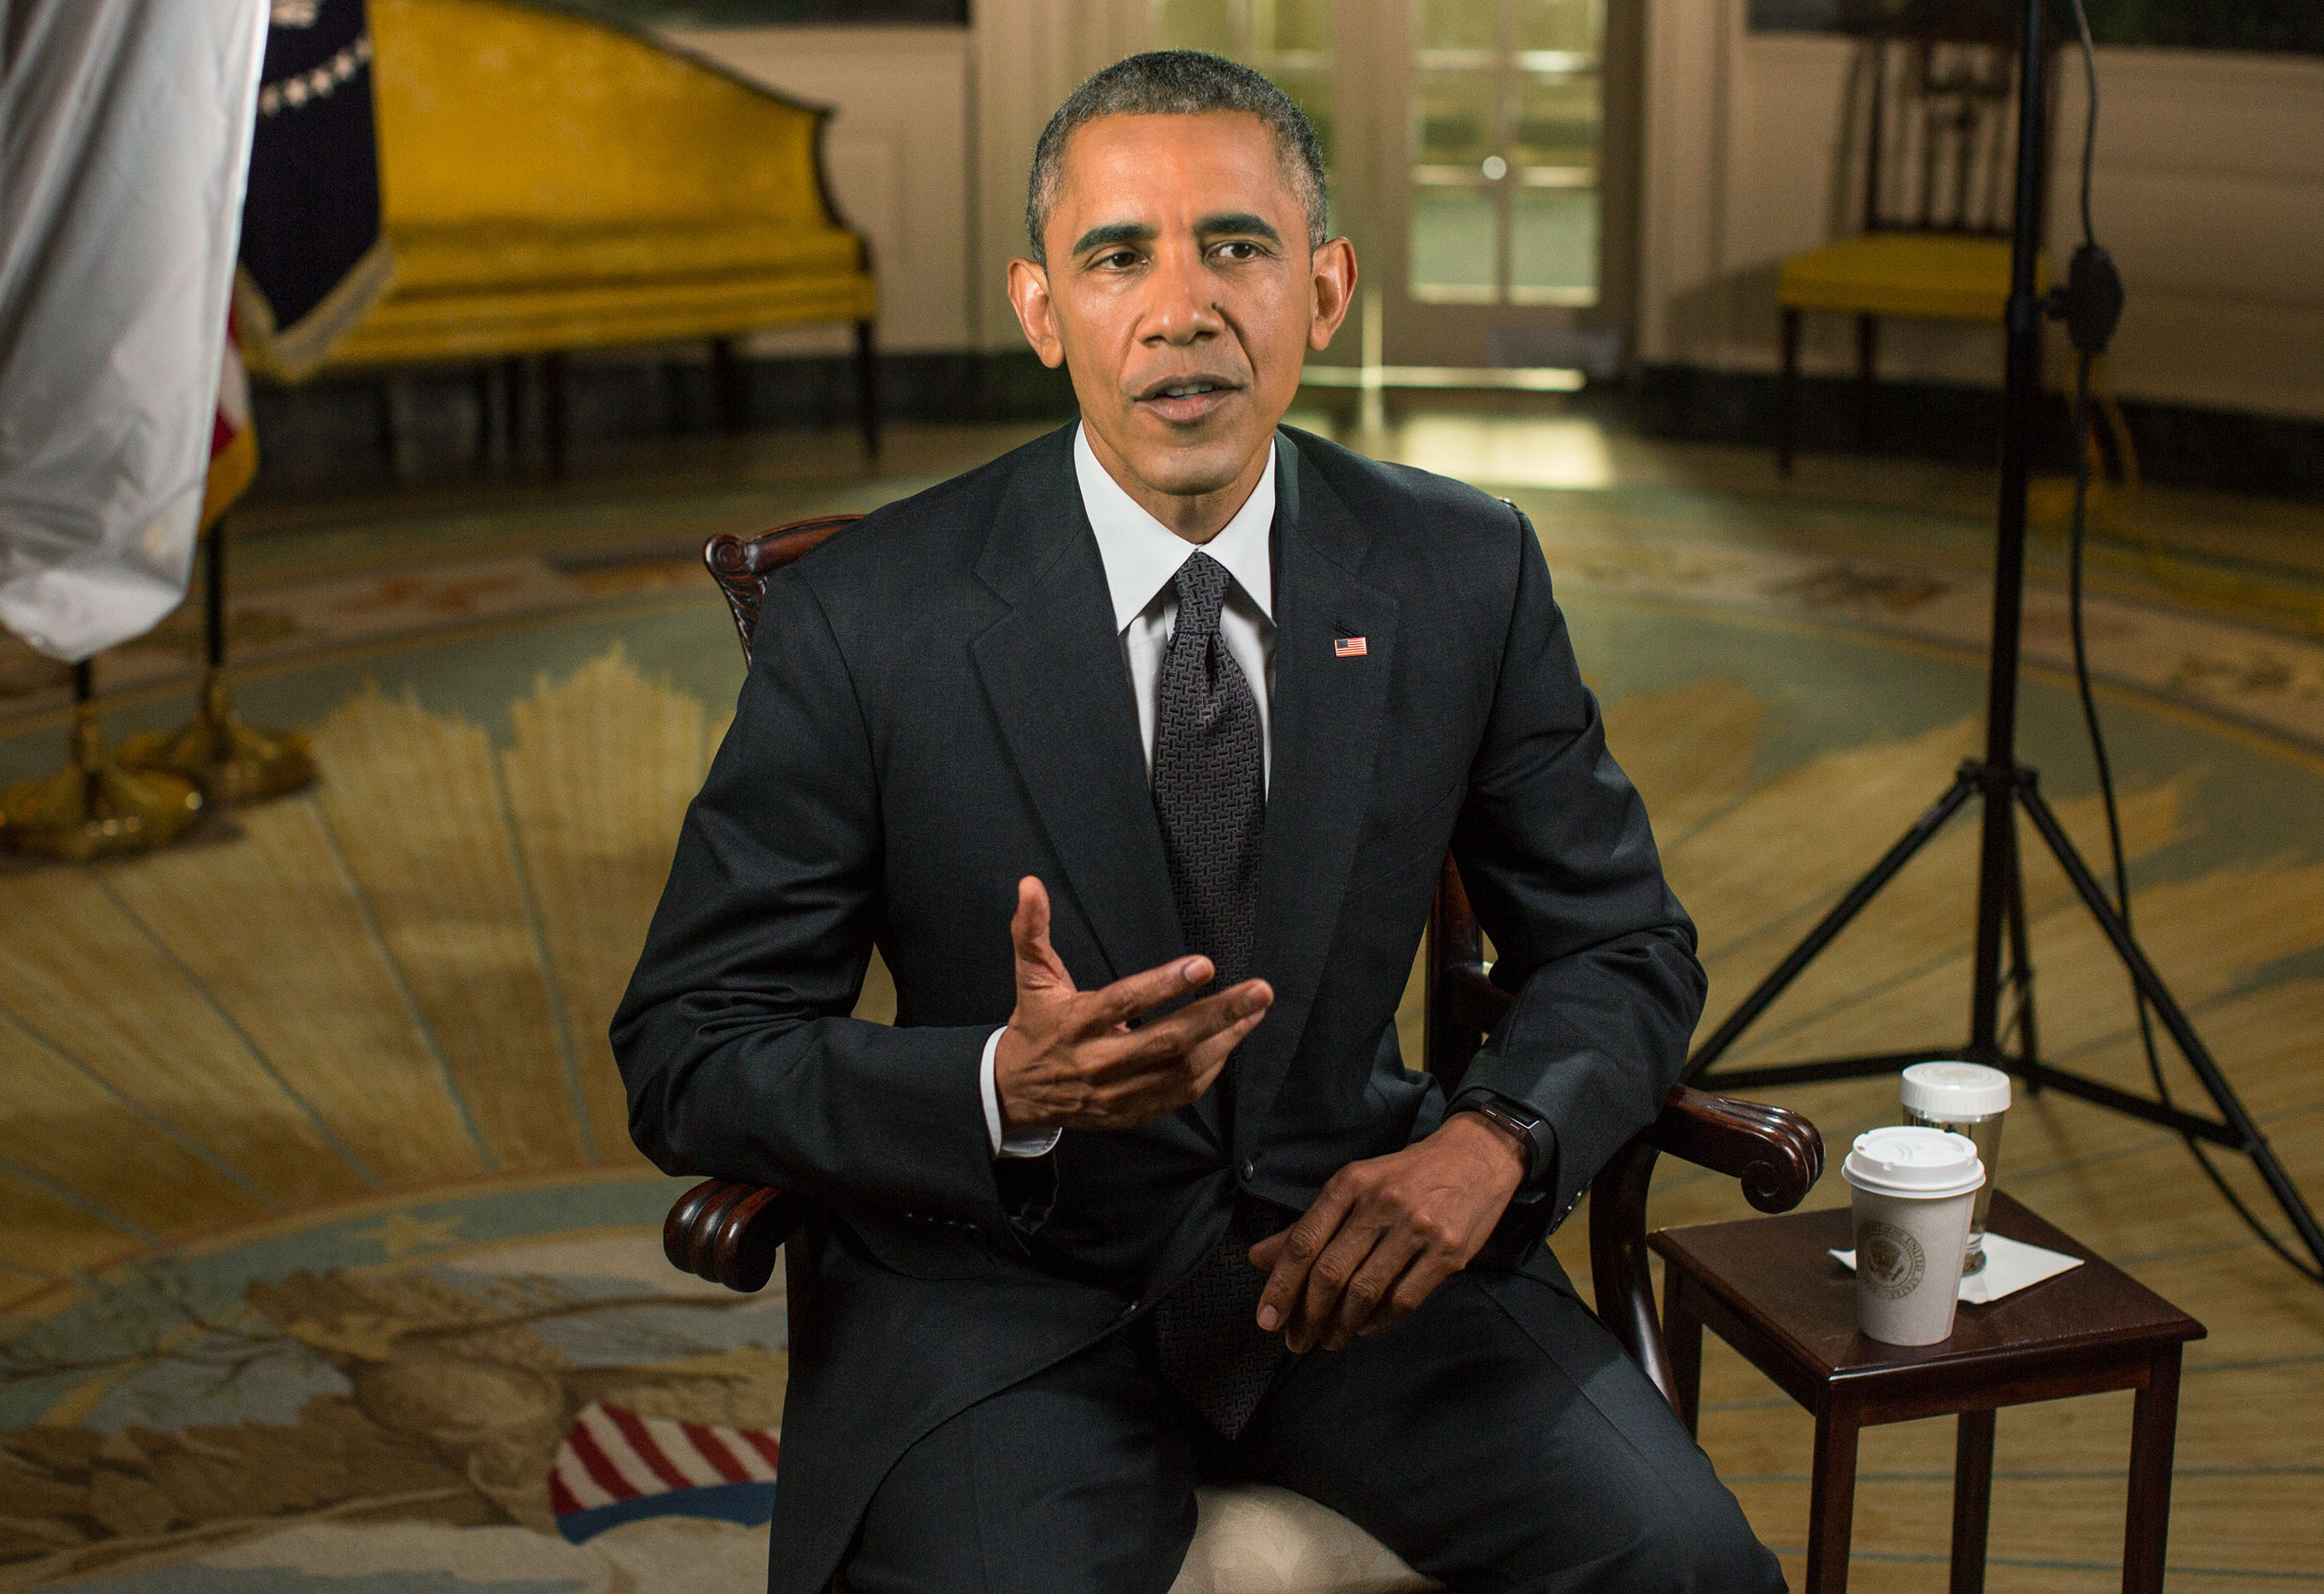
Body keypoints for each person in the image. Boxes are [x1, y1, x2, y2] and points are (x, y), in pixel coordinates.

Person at [614, 50, 1785, 1594]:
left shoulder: (1463, 569)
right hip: (995, 1301)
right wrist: (995, 1083)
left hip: (1357, 1256)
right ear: (1043, 309)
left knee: (1688, 1564)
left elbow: (1622, 943)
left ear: (1327, 287)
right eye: (1118, 255)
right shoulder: (867, 619)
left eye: (1238, 245)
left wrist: (1497, 1140)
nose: (1184, 307)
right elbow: (690, 1042)